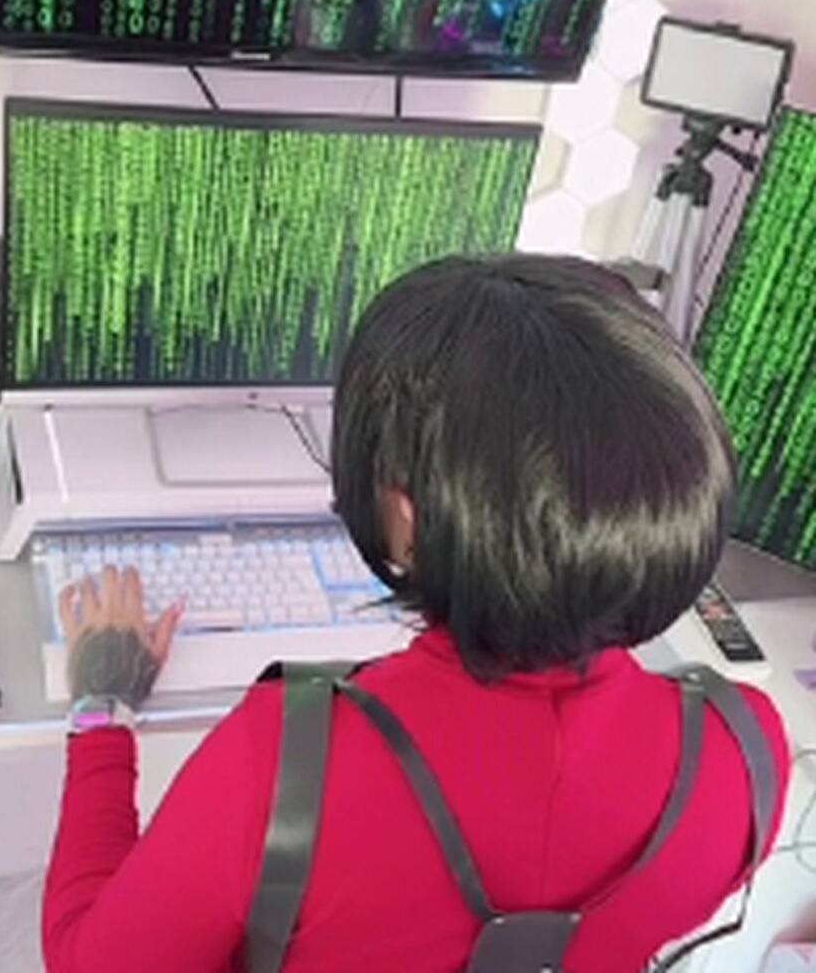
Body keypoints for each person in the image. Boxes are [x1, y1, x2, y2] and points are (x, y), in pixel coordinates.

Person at [42, 254, 789, 973]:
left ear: (406, 518)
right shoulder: (747, 749)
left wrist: (102, 710)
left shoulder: (287, 762)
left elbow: (90, 962)